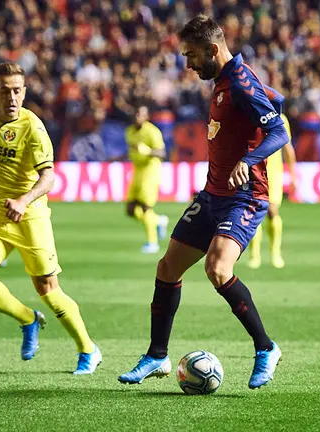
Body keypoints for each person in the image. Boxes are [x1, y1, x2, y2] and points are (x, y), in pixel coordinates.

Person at [118, 15, 289, 389]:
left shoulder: (240, 83)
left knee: (217, 268)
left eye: (192, 55)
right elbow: (276, 101)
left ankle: (266, 348)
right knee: (167, 267)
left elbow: (279, 130)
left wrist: (248, 159)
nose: (188, 63)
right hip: (212, 194)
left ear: (213, 49)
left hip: (245, 197)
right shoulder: (228, 80)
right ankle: (157, 356)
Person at [0, 62, 101, 374]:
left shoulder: (33, 128)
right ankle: (28, 319)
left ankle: (88, 349)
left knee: (49, 291)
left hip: (30, 219)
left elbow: (49, 177)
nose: (11, 97)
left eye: (17, 91)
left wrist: (24, 200)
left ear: (24, 93)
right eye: (5, 91)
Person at [247, 114, 297, 269]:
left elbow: (287, 148)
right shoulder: (250, 116)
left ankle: (275, 253)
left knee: (272, 210)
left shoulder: (280, 118)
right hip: (253, 171)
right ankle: (254, 255)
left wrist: (293, 175)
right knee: (253, 211)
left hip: (273, 172)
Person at [124, 105, 169, 254]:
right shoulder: (129, 132)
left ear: (146, 116)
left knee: (145, 207)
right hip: (137, 169)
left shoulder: (152, 132)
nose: (137, 117)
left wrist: (148, 151)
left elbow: (162, 153)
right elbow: (133, 151)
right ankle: (158, 221)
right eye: (136, 114)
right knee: (131, 209)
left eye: (141, 114)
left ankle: (152, 243)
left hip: (151, 170)